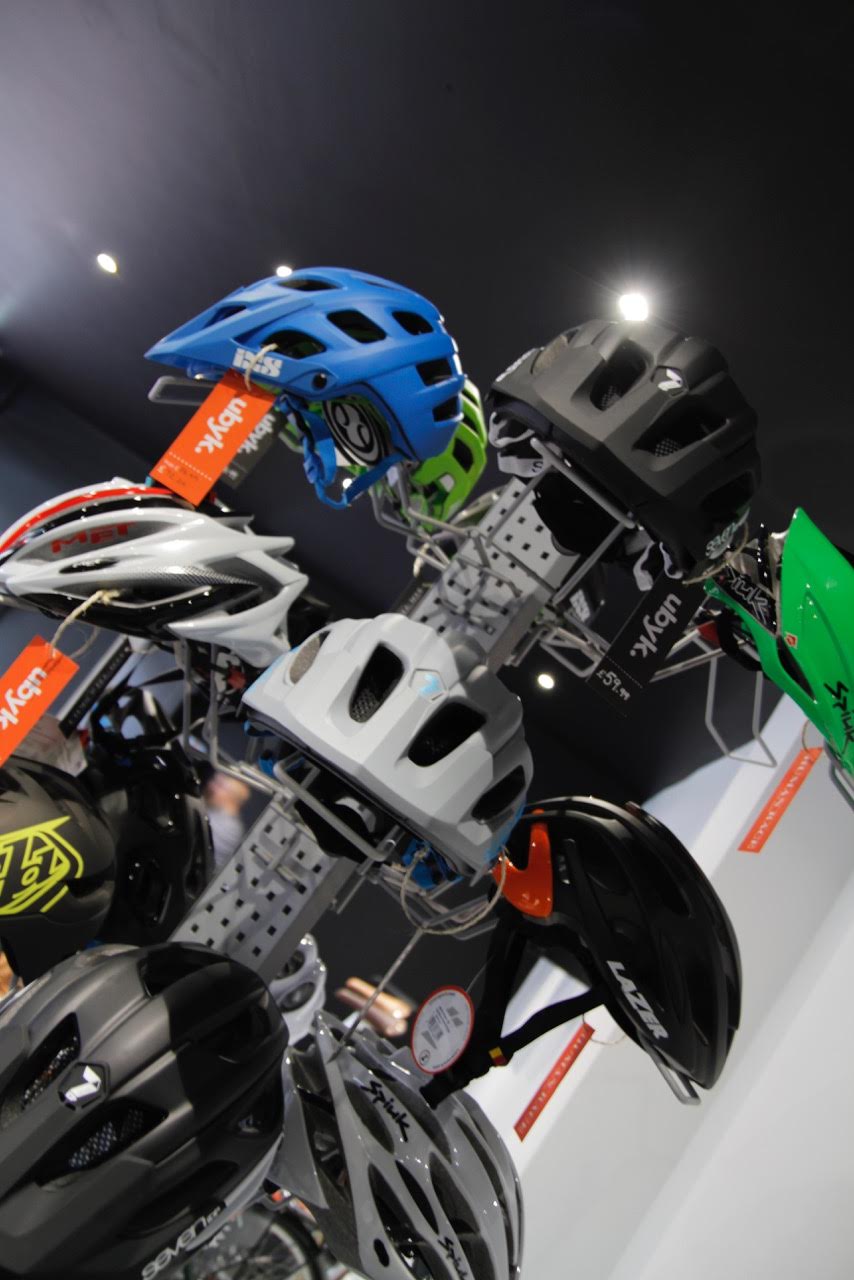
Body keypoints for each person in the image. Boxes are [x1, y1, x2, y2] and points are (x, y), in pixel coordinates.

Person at [204, 771, 252, 870]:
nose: (211, 786)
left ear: (231, 797)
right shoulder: (217, 815)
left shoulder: (229, 827)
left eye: (219, 785)